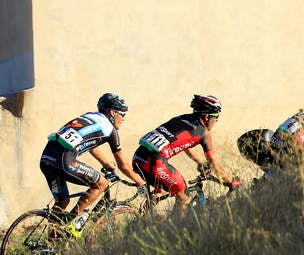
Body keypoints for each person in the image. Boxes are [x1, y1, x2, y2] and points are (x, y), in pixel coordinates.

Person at [39, 93, 147, 238]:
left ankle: (50, 244)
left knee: (62, 200)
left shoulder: (89, 117)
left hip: (47, 157)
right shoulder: (110, 129)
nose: (123, 118)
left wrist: (107, 164)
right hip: (64, 160)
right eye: (122, 114)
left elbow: (91, 144)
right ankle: (71, 223)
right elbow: (124, 165)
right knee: (101, 184)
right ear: (112, 112)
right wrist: (140, 182)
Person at [133, 94, 240, 214]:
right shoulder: (203, 133)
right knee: (183, 195)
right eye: (216, 116)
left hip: (138, 157)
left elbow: (186, 146)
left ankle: (141, 219)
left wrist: (200, 162)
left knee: (163, 190)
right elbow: (214, 163)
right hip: (155, 163)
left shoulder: (180, 118)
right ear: (206, 117)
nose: (217, 120)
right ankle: (175, 227)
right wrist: (231, 181)